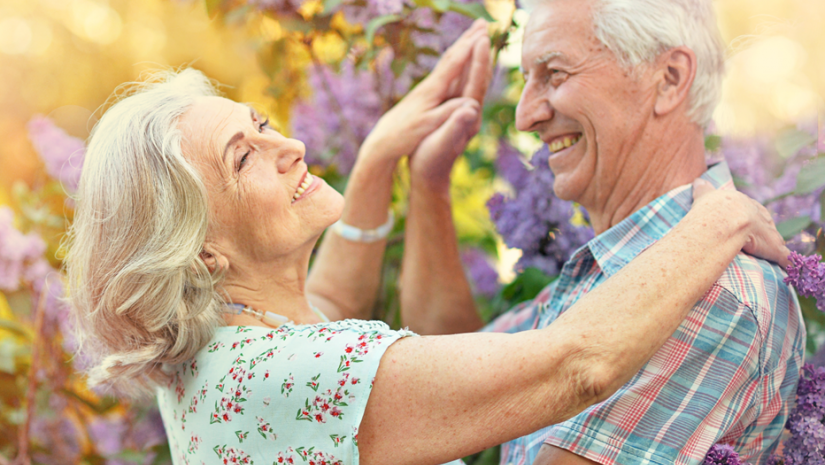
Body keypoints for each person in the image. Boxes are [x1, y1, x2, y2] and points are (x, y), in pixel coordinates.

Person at [65, 22, 789, 465]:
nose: (286, 143)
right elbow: (579, 364)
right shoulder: (288, 377)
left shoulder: (227, 355)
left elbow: (332, 309)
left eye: (261, 122)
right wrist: (718, 218)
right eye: (243, 157)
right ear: (201, 252)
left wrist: (396, 166)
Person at [400, 2, 806, 465]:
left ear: (669, 78)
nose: (524, 116)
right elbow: (442, 383)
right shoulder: (606, 272)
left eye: (554, 73)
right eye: (526, 79)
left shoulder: (713, 292)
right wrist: (428, 182)